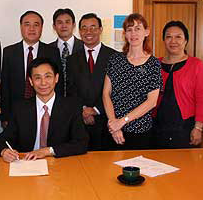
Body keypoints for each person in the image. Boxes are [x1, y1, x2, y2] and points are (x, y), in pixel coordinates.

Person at [0, 58, 88, 162]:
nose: (43, 83)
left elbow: (81, 143)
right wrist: (5, 151)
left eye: (48, 76)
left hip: (60, 164)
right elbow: (3, 139)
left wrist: (48, 151)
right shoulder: (20, 108)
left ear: (56, 78)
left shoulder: (71, 106)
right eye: (37, 78)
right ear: (31, 81)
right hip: (27, 164)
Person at [103, 13, 162, 150]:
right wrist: (114, 124)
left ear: (146, 32)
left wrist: (122, 122)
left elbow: (151, 102)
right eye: (129, 29)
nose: (133, 33)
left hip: (140, 131)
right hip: (114, 131)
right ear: (125, 34)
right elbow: (106, 93)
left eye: (137, 28)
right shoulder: (115, 60)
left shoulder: (153, 64)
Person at [154, 21, 203, 148]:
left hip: (185, 126)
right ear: (164, 40)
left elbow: (202, 99)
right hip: (158, 125)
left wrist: (198, 128)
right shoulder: (155, 64)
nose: (173, 41)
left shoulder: (196, 65)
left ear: (185, 41)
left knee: (185, 165)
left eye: (178, 37)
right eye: (168, 37)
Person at [1, 11, 61, 126]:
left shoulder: (52, 52)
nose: (32, 29)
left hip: (46, 111)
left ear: (42, 28)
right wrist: (5, 116)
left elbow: (58, 84)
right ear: (21, 27)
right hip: (17, 112)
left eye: (36, 25)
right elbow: (5, 86)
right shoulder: (9, 52)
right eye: (27, 24)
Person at [67, 13, 117, 150]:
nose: (88, 32)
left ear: (101, 30)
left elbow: (116, 91)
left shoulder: (114, 57)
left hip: (106, 121)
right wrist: (83, 110)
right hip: (80, 121)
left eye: (93, 27)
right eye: (84, 28)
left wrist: (95, 110)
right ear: (79, 31)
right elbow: (71, 90)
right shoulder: (72, 59)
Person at [49, 8, 84, 96]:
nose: (64, 26)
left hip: (80, 102)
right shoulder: (47, 49)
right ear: (54, 26)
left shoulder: (85, 47)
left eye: (67, 22)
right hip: (54, 101)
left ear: (74, 25)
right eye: (60, 22)